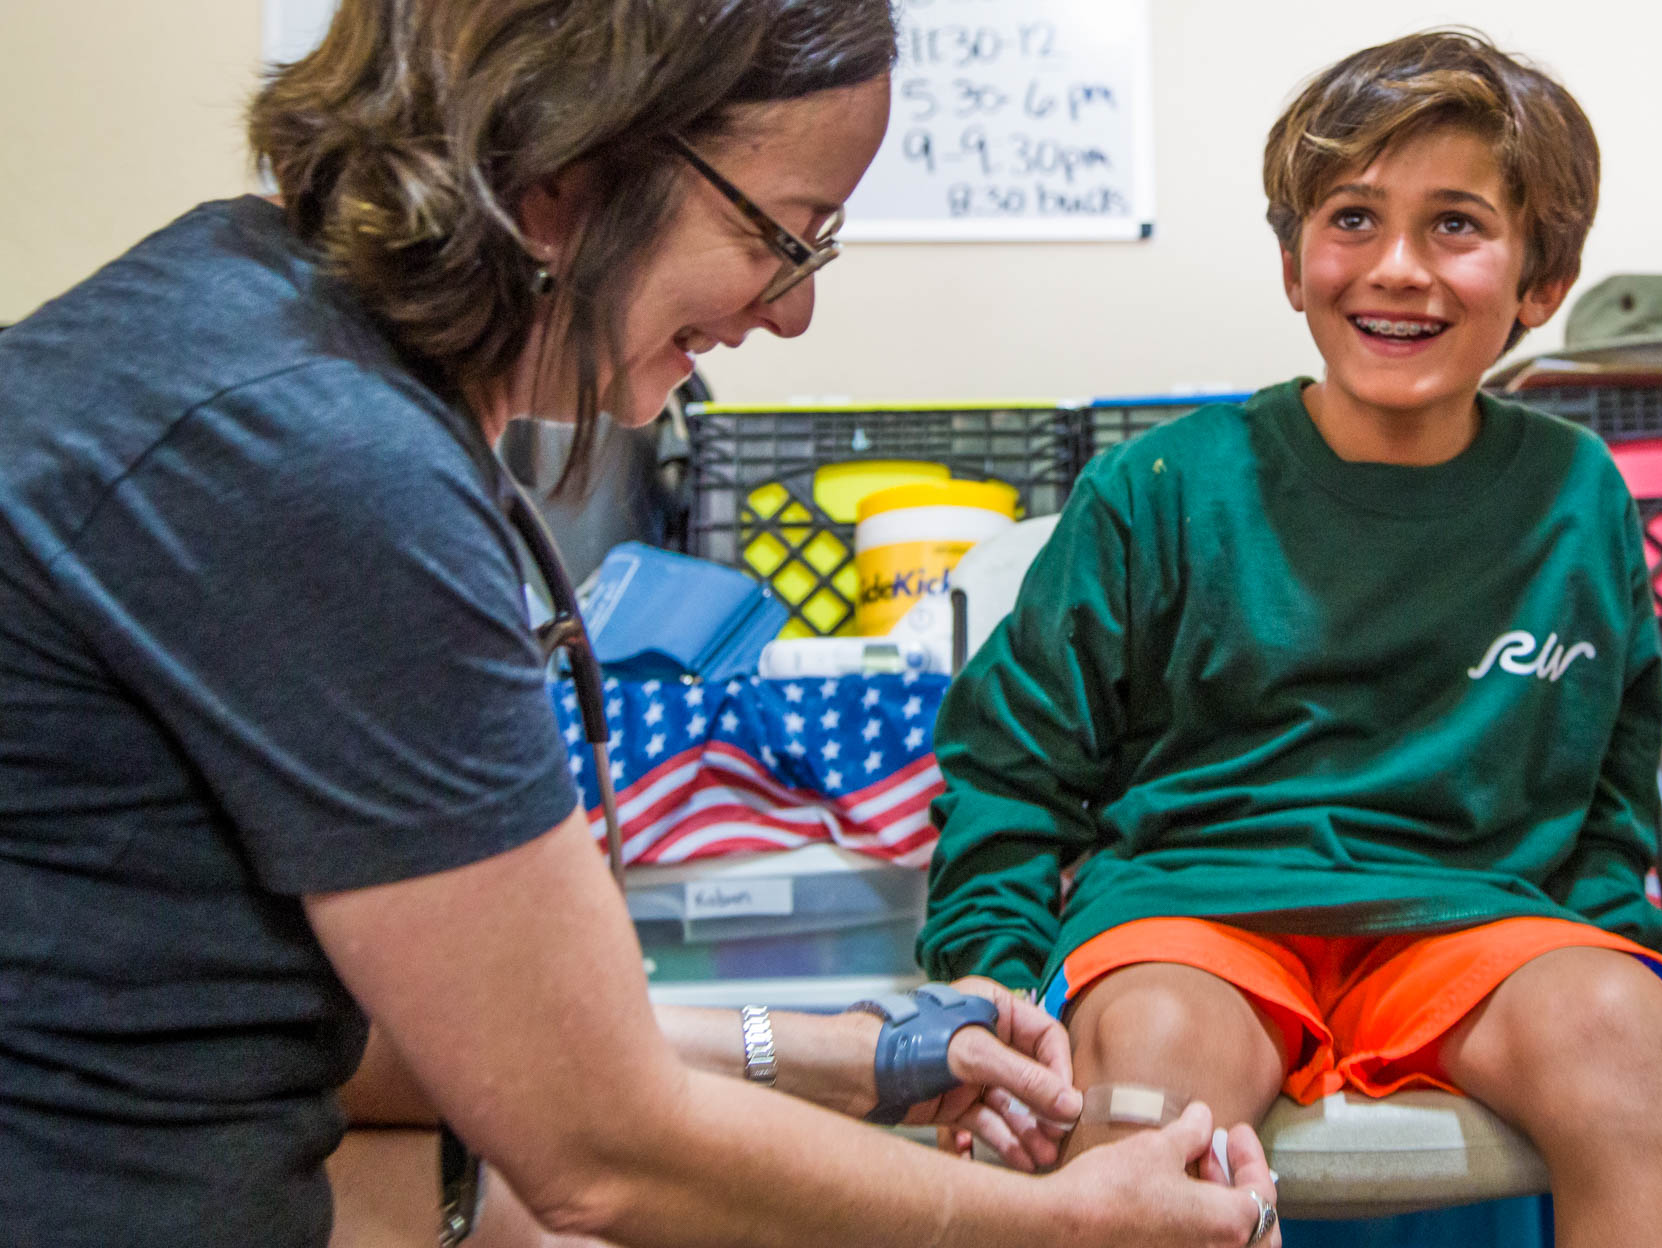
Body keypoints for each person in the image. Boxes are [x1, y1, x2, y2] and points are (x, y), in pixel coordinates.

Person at [0, 2, 1280, 1246]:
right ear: (564, 168)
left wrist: (845, 1056)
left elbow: (429, 1038)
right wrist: (1055, 1226)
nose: (790, 312)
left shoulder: (236, 310)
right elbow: (598, 1147)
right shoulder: (319, 458)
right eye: (788, 237)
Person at [918, 29, 1662, 1248]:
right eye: (1351, 218)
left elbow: (1608, 782)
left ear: (1538, 282)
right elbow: (1011, 766)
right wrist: (987, 976)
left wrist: (1610, 962)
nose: (1395, 267)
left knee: (1624, 1027)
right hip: (1197, 917)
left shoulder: (1579, 495)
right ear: (1295, 263)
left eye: (1455, 224)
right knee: (1145, 1054)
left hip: (1475, 924)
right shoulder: (1158, 488)